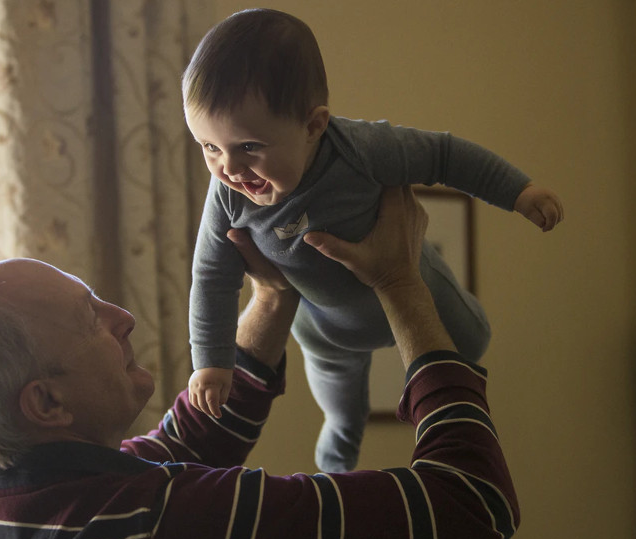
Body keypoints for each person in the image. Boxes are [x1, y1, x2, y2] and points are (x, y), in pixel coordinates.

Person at [0, 185, 520, 539]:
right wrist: (401, 285)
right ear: (47, 402)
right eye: (91, 320)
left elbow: (183, 444)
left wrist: (273, 295)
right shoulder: (161, 527)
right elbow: (471, 503)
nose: (123, 319)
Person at [183, 8, 564, 472]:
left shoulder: (361, 149)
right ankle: (336, 468)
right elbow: (211, 277)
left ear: (313, 126)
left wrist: (519, 192)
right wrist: (211, 362)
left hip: (414, 283)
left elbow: (445, 155)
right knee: (342, 412)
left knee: (474, 341)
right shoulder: (227, 196)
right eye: (209, 147)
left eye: (249, 147)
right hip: (326, 330)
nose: (229, 168)